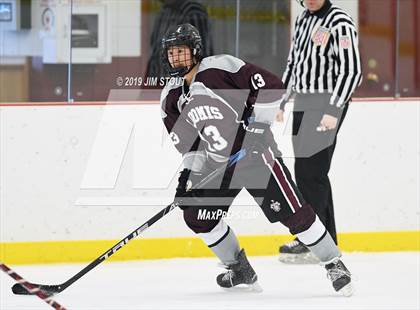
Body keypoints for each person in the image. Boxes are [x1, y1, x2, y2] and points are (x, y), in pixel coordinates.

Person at [160, 23, 354, 296]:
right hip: (218, 166)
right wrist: (187, 178)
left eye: (180, 51)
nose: (175, 58)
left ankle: (334, 263)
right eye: (170, 53)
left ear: (195, 51)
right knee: (197, 215)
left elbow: (272, 86)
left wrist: (258, 130)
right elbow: (190, 146)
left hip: (254, 156)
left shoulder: (221, 68)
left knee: (296, 215)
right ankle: (238, 268)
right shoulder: (170, 97)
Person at [276, 0, 362, 264]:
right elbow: (295, 62)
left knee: (310, 172)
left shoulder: (340, 22)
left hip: (327, 102)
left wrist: (333, 109)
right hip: (304, 101)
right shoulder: (302, 19)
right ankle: (325, 239)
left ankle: (312, 241)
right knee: (309, 172)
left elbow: (352, 71)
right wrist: (281, 99)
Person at [146, 0, 214, 81]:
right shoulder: (164, 11)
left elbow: (200, 55)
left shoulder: (192, 11)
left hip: (179, 85)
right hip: (157, 82)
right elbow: (155, 52)